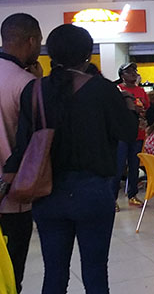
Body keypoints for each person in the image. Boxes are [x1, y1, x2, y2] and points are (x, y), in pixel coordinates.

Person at [2, 24, 138, 293]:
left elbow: (23, 144)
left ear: (51, 53)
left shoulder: (35, 90)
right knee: (95, 271)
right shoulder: (103, 90)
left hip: (47, 193)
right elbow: (127, 132)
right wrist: (130, 108)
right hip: (93, 192)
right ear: (87, 54)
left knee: (54, 271)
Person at [0, 13, 42, 293]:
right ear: (31, 40)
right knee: (11, 275)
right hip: (11, 197)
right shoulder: (25, 83)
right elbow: (32, 141)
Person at [113, 62, 149, 210]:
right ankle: (113, 198)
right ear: (122, 75)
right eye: (129, 71)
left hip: (138, 133)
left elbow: (146, 109)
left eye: (135, 70)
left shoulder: (141, 91)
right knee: (119, 166)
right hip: (122, 133)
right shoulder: (117, 89)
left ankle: (132, 195)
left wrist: (142, 113)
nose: (133, 73)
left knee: (134, 166)